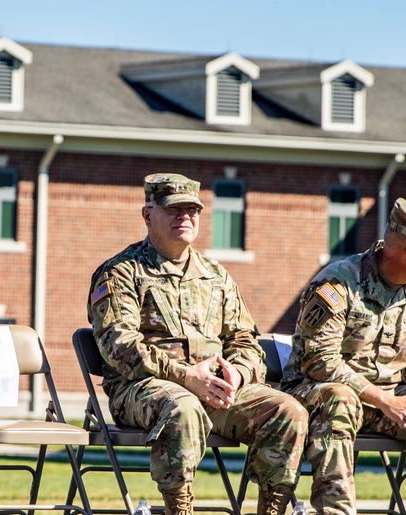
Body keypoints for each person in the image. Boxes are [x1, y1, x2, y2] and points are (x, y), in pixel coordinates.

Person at [88, 173, 307, 515]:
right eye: (174, 209)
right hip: (144, 388)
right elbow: (120, 345)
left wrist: (237, 374)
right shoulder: (120, 273)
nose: (185, 217)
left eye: (192, 210)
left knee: (288, 411)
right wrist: (187, 376)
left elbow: (246, 341)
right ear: (148, 215)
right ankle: (180, 509)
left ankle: (272, 509)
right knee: (183, 406)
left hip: (217, 389)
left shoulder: (215, 275)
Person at [282, 198, 406, 515]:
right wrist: (382, 399)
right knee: (340, 399)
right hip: (319, 395)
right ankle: (335, 511)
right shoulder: (339, 283)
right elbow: (318, 361)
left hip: (395, 403)